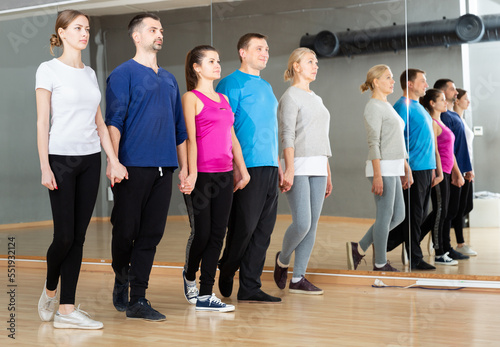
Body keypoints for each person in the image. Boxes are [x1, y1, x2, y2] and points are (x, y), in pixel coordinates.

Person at [36, 9, 128, 329]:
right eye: (78, 28)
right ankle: (50, 287)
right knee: (63, 237)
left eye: (87, 28)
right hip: (60, 160)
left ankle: (66, 310)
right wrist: (45, 166)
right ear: (62, 33)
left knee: (78, 238)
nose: (84, 33)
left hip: (90, 160)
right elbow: (42, 121)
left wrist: (113, 159)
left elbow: (99, 122)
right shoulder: (47, 70)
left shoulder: (89, 73)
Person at [105, 13, 189, 321]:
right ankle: (121, 274)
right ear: (136, 36)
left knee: (151, 234)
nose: (159, 33)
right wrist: (112, 162)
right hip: (131, 166)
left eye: (161, 29)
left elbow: (180, 130)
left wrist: (185, 169)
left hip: (164, 168)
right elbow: (113, 121)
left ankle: (138, 298)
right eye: (153, 29)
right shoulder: (123, 74)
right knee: (126, 231)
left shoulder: (168, 78)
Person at [181, 45, 250, 312]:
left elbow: (231, 137)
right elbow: (189, 138)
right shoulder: (191, 98)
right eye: (211, 61)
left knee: (218, 235)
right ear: (197, 67)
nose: (217, 64)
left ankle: (206, 294)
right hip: (202, 176)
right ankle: (189, 275)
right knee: (202, 234)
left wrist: (241, 169)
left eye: (218, 60)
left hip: (223, 175)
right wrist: (192, 172)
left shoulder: (223, 99)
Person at [216, 33, 283, 302]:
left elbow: (271, 127)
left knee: (263, 230)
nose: (265, 52)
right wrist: (237, 167)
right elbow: (225, 128)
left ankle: (250, 286)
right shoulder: (230, 84)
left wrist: (278, 163)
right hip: (246, 166)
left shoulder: (266, 86)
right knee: (243, 227)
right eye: (259, 48)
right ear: (243, 52)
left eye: (267, 48)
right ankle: (227, 266)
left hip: (269, 165)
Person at [273, 48, 332, 294]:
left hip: (319, 166)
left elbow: (323, 137)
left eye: (316, 62)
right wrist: (288, 169)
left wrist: (328, 172)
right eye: (310, 62)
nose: (315, 65)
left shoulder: (317, 98)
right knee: (303, 223)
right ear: (296, 66)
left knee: (313, 225)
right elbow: (286, 135)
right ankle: (282, 259)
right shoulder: (290, 97)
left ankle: (298, 278)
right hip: (298, 166)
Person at [346, 65, 409, 273]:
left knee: (398, 215)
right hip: (381, 167)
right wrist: (378, 175)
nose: (392, 81)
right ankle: (380, 263)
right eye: (388, 78)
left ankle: (360, 247)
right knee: (385, 215)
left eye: (392, 77)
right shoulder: (373, 106)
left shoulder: (387, 105)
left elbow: (396, 141)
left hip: (394, 167)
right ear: (376, 82)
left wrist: (405, 167)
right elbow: (373, 143)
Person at [386, 69, 442, 271]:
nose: (426, 85)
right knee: (413, 216)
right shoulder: (402, 107)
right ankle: (414, 257)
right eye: (422, 81)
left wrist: (435, 168)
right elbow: (396, 140)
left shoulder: (419, 107)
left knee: (416, 216)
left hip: (426, 170)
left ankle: (381, 245)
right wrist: (404, 168)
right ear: (410, 84)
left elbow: (428, 142)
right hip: (414, 170)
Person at [419, 89, 463, 266]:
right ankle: (439, 252)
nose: (446, 102)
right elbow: (434, 150)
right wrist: (437, 172)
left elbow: (449, 152)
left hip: (445, 171)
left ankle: (439, 248)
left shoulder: (441, 122)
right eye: (442, 100)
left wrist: (455, 172)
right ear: (432, 103)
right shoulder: (432, 123)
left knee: (443, 213)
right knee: (439, 213)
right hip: (439, 173)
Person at [433, 79, 474, 261]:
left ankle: (446, 247)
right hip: (448, 170)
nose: (455, 91)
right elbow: (445, 149)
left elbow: (459, 147)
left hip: (455, 168)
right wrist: (456, 171)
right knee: (445, 212)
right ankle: (442, 248)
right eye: (451, 89)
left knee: (452, 210)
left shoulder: (452, 116)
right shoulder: (443, 118)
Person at [452, 88, 477, 256]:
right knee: (458, 208)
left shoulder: (462, 120)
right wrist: (462, 170)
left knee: (467, 206)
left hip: (466, 168)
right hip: (458, 170)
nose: (468, 102)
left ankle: (436, 233)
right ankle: (460, 243)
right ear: (457, 100)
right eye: (465, 99)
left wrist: (470, 168)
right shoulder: (453, 120)